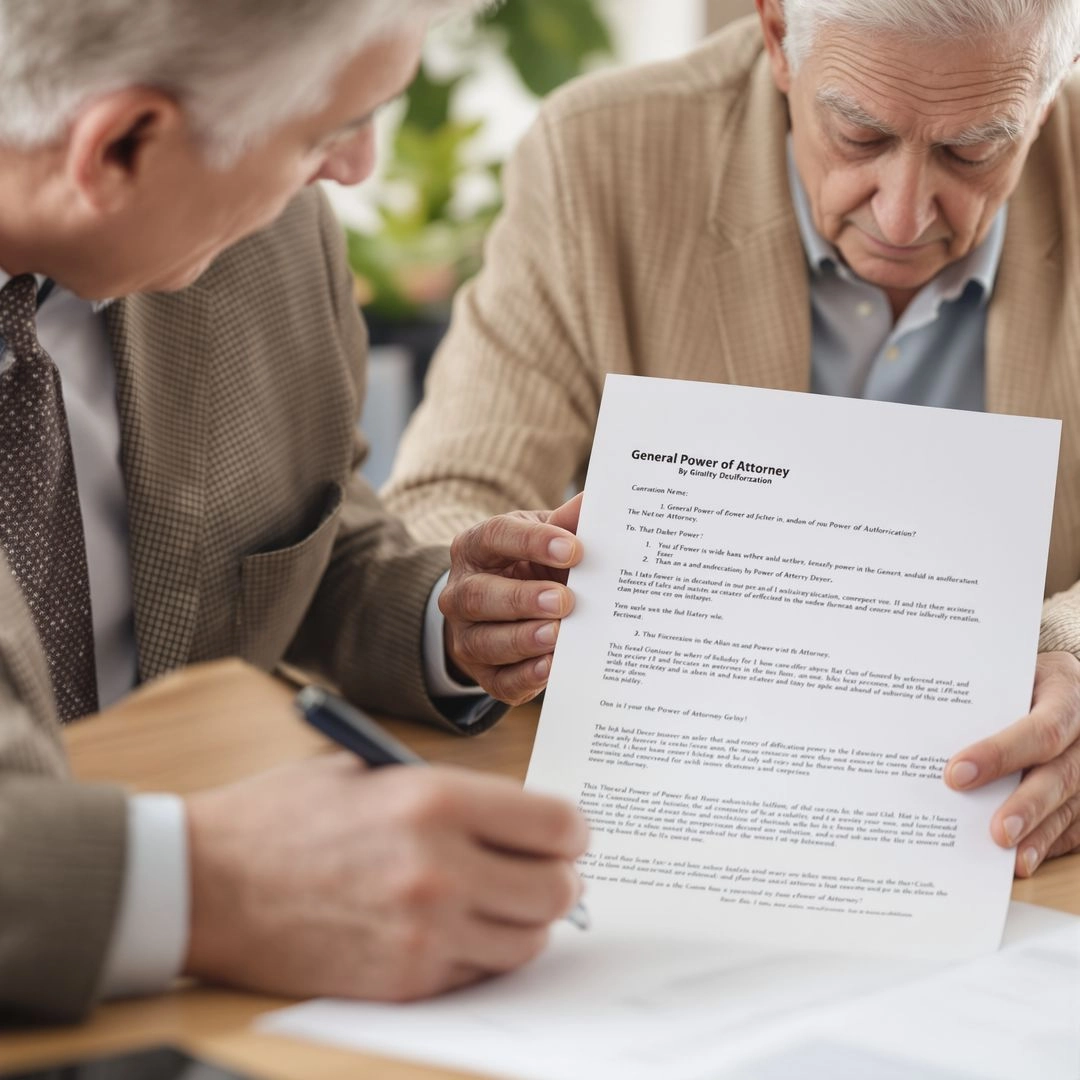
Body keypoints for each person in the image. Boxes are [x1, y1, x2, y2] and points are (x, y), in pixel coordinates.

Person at [383, 0, 1080, 882]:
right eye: (859, 135)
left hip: (1002, 852)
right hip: (669, 816)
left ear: (1050, 87)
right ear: (779, 37)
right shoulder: (601, 155)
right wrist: (493, 597)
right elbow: (446, 496)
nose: (904, 216)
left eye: (972, 151)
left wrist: (1070, 651)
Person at [0, 0, 590, 1022]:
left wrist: (449, 618)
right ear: (123, 146)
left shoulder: (265, 239)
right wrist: (208, 886)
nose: (356, 169)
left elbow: (304, 523)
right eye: (330, 129)